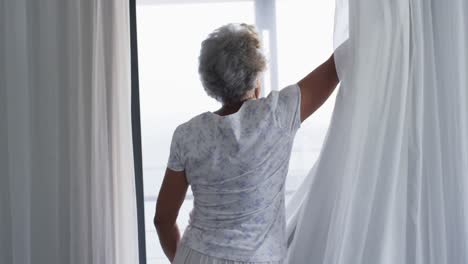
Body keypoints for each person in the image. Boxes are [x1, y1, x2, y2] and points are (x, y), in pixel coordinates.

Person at [154, 23, 339, 264]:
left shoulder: (186, 134)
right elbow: (336, 66)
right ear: (256, 74)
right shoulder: (277, 115)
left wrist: (184, 258)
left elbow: (163, 219)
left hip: (196, 255)